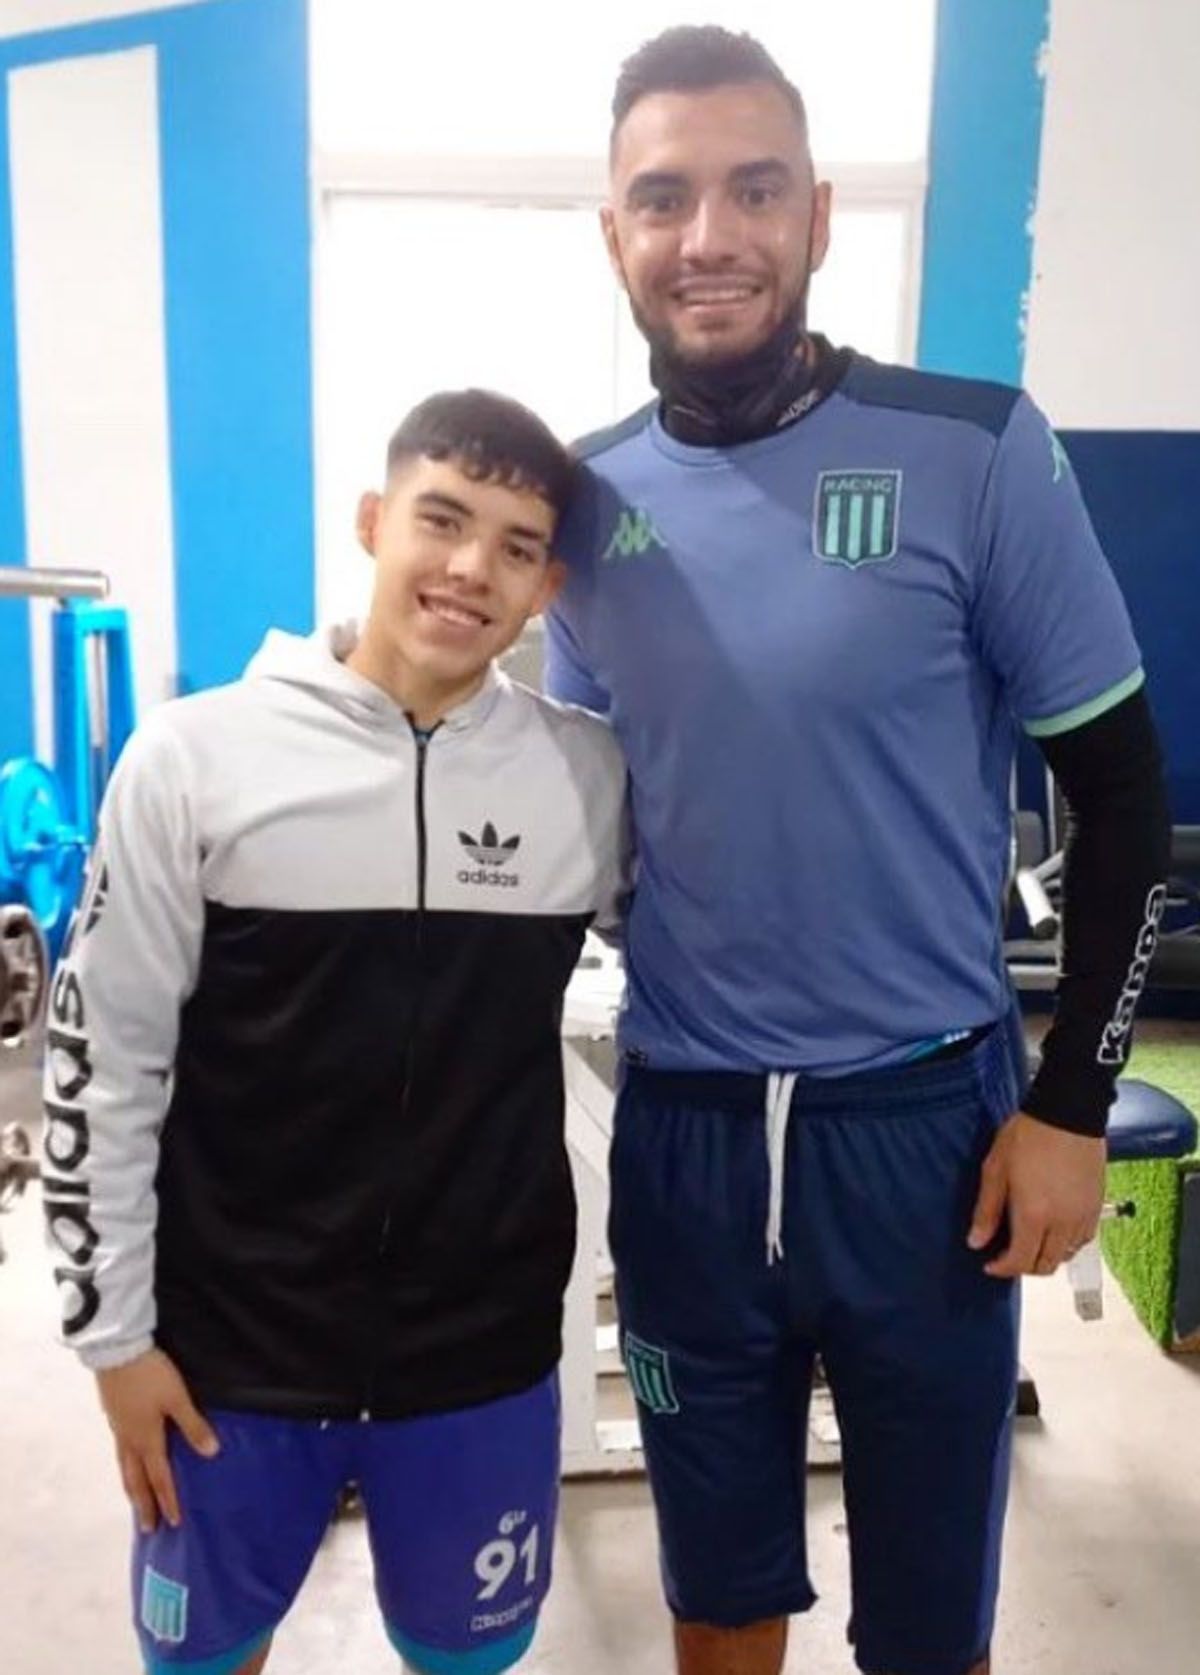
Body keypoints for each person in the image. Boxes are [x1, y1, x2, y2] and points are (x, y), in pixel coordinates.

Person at [544, 26, 1171, 1675]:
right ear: (613, 234)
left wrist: (1068, 1107)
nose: (711, 237)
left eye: (755, 189)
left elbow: (1120, 802)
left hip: (923, 1140)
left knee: (923, 1622)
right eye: (664, 197)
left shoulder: (975, 449)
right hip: (682, 1132)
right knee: (717, 1597)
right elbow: (565, 834)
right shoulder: (582, 506)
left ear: (818, 215)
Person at [41, 389, 628, 1675]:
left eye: (518, 545)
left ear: (548, 589)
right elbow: (104, 1063)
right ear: (374, 522)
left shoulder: (585, 777)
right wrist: (113, 1343)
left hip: (479, 1357)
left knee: (464, 1656)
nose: (472, 567)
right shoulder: (193, 760)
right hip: (230, 1354)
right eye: (443, 519)